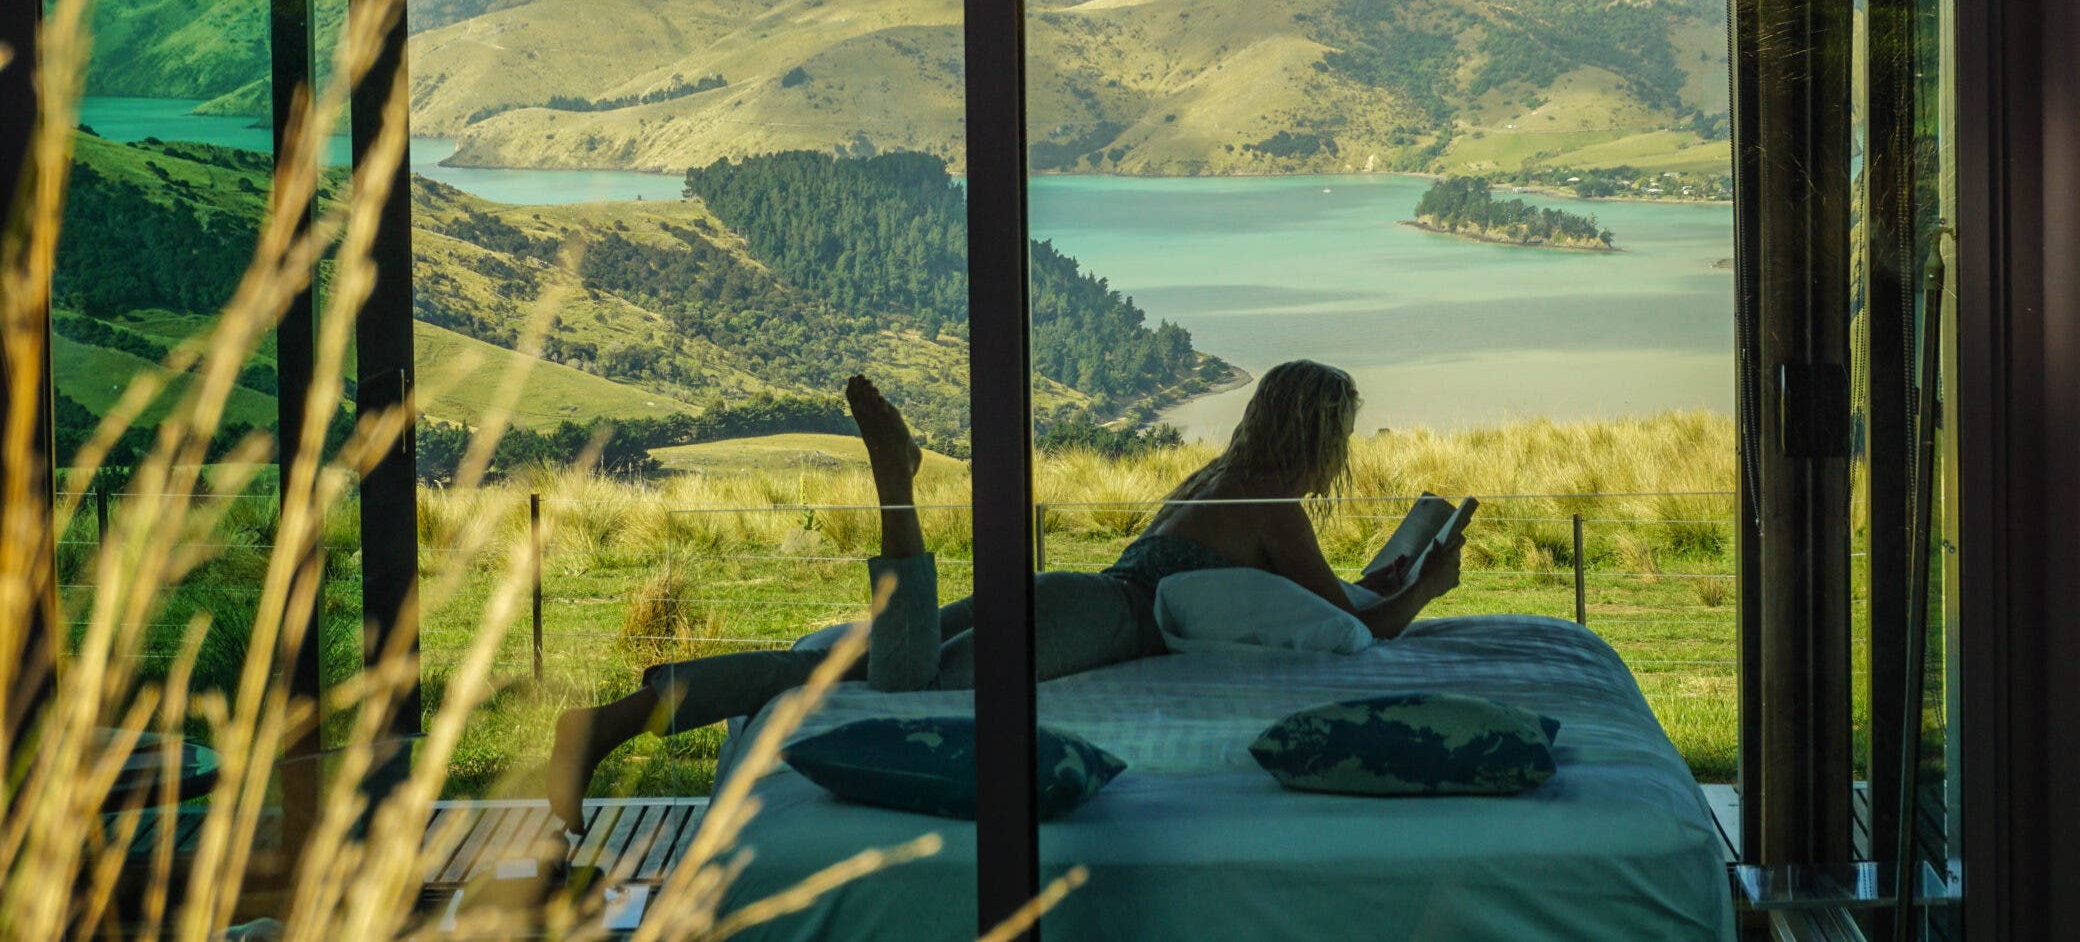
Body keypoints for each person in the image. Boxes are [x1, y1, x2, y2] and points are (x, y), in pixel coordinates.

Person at [547, 359, 1464, 832]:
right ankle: (896, 484)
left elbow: (1281, 598)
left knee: (836, 662)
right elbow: (1352, 629)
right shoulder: (1271, 503)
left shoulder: (1217, 475)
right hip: (1102, 619)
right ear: (1318, 431)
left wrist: (1376, 575)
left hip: (1069, 592)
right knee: (904, 679)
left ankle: (611, 722)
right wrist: (1427, 583)